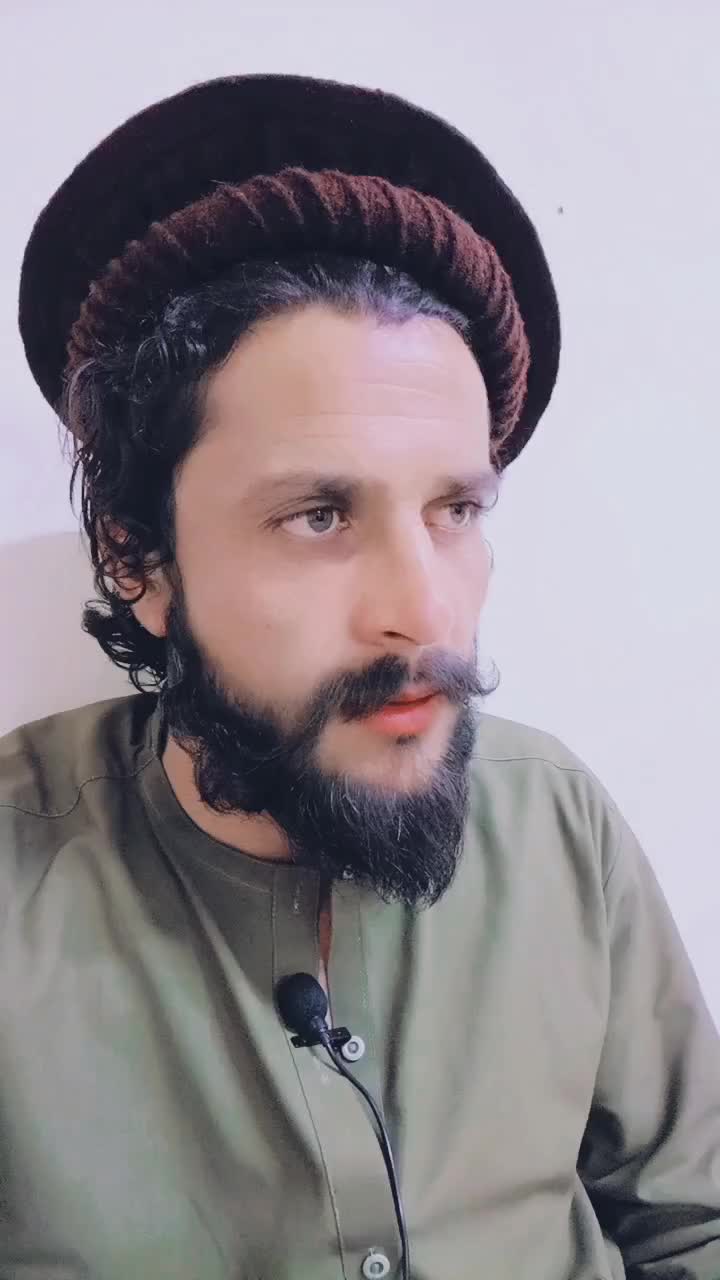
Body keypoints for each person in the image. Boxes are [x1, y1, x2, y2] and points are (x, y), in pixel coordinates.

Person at [4, 72, 719, 1280]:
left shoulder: (557, 823)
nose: (425, 611)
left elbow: (694, 1221)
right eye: (320, 514)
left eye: (455, 509)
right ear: (139, 557)